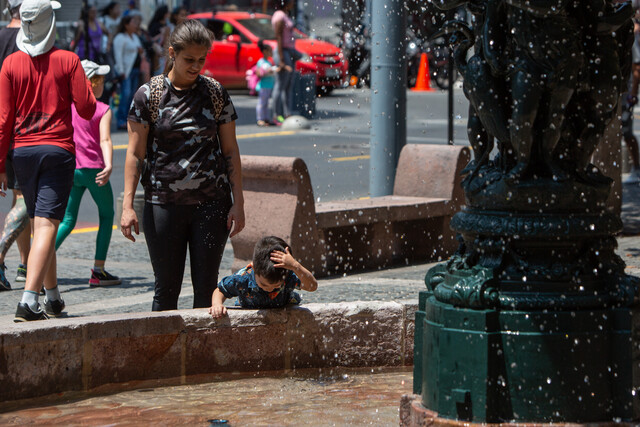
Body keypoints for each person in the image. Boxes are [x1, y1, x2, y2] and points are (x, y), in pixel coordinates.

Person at [121, 19, 245, 312]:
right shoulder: (148, 95)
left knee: (206, 289)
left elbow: (230, 150)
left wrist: (238, 202)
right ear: (172, 53)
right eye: (189, 59)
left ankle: (202, 357)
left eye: (201, 60)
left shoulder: (215, 93)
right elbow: (135, 155)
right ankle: (164, 357)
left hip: (211, 205)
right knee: (166, 290)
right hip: (163, 204)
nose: (195, 66)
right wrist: (127, 207)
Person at [0, 0, 96, 322]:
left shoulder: (11, 64)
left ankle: (53, 298)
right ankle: (29, 301)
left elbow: (3, 121)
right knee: (45, 225)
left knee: (44, 223)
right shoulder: (68, 60)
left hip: (22, 153)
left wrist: (0, 165)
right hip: (57, 151)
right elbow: (86, 108)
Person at [55, 60, 121, 287]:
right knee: (107, 215)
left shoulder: (69, 107)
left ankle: (39, 260)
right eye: (100, 80)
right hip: (94, 170)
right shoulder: (102, 109)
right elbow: (105, 139)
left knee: (68, 219)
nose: (103, 83)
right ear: (92, 84)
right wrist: (109, 165)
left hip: (72, 169)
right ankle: (98, 270)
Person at [209, 236, 318, 318]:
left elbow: (312, 286)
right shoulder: (243, 279)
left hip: (284, 304)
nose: (270, 288)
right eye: (264, 284)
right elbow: (220, 290)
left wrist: (295, 266)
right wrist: (217, 304)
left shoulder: (288, 276)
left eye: (277, 285)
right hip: (249, 307)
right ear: (254, 268)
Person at [0, 0, 31, 291]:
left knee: (17, 196)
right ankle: (22, 263)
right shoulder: (29, 40)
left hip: (1, 127)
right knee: (24, 198)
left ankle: (24, 264)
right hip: (22, 127)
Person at [112, 14, 143, 130]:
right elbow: (118, 55)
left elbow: (140, 49)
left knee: (131, 95)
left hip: (135, 70)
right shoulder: (120, 37)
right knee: (125, 94)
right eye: (133, 23)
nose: (135, 25)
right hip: (126, 71)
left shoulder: (135, 37)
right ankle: (121, 119)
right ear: (126, 25)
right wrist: (121, 71)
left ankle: (128, 118)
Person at [271, 0, 298, 124]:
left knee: (288, 85)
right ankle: (277, 114)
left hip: (289, 51)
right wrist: (281, 59)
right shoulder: (279, 16)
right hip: (283, 51)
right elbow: (279, 37)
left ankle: (287, 113)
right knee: (281, 84)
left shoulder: (285, 15)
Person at [623, 13, 640, 184]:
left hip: (625, 94)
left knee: (627, 131)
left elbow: (636, 69)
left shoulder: (630, 38)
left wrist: (632, 94)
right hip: (618, 92)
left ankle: (636, 167)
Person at [255, 40, 279, 127]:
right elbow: (259, 72)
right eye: (270, 51)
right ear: (265, 51)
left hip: (269, 86)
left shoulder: (268, 62)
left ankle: (266, 118)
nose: (271, 53)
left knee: (266, 104)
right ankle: (260, 119)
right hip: (264, 86)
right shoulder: (261, 62)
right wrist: (269, 70)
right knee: (262, 103)